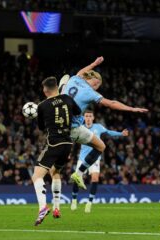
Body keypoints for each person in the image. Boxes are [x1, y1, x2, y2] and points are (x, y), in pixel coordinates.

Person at [59, 56, 148, 189]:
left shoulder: (75, 78)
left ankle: (60, 90)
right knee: (101, 147)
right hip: (72, 127)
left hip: (58, 120)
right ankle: (78, 173)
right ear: (95, 83)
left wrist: (94, 63)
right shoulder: (90, 92)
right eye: (98, 86)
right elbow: (111, 103)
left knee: (65, 87)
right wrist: (131, 108)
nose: (97, 89)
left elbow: (82, 71)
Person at [32, 76, 81, 226]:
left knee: (37, 176)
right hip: (68, 144)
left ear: (46, 90)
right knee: (55, 172)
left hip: (54, 144)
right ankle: (57, 208)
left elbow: (41, 128)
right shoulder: (67, 98)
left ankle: (42, 207)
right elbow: (78, 112)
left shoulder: (42, 105)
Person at [70, 109, 128, 213]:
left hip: (95, 158)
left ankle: (89, 203)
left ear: (93, 118)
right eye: (86, 116)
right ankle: (74, 200)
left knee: (95, 178)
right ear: (84, 118)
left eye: (90, 116)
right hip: (83, 158)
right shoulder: (80, 127)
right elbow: (73, 142)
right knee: (77, 178)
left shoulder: (98, 127)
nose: (88, 118)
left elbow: (109, 132)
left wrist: (121, 133)